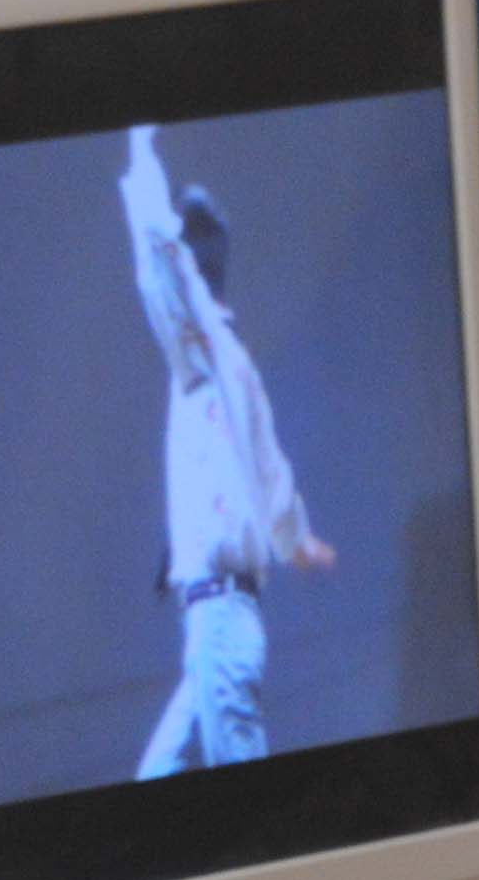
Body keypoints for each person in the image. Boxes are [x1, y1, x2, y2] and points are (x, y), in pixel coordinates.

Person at [120, 120, 333, 774]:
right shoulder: (236, 367)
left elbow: (162, 259)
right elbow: (271, 474)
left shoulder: (204, 346)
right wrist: (297, 541)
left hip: (218, 621)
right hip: (221, 624)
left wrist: (140, 150)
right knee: (157, 771)